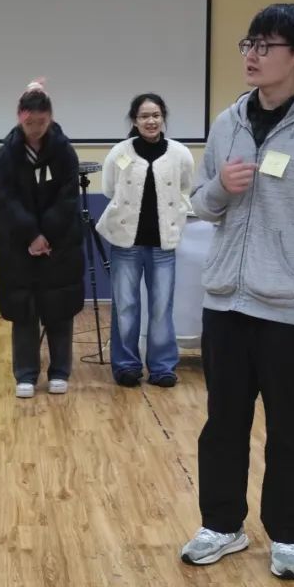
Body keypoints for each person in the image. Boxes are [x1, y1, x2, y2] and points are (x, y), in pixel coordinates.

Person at [181, 4, 294, 580]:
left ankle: (286, 535)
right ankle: (221, 525)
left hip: (289, 309)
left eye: (266, 45)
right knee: (222, 423)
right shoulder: (227, 122)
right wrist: (221, 187)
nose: (252, 55)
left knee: (289, 428)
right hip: (225, 301)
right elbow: (200, 205)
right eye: (248, 44)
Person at [0, 82, 83, 399]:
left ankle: (59, 371)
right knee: (24, 311)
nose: (35, 129)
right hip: (20, 245)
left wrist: (48, 234)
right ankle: (26, 374)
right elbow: (7, 198)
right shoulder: (6, 154)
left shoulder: (64, 151)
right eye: (30, 122)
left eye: (41, 122)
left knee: (59, 309)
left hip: (59, 245)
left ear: (50, 117)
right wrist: (32, 235)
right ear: (20, 117)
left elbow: (68, 197)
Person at [98, 93, 194, 388]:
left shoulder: (179, 153)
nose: (151, 121)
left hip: (163, 244)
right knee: (125, 305)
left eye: (155, 115)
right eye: (144, 116)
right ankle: (126, 365)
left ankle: (162, 367)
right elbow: (109, 188)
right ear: (134, 120)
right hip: (126, 244)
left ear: (163, 117)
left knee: (161, 307)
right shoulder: (120, 152)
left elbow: (185, 188)